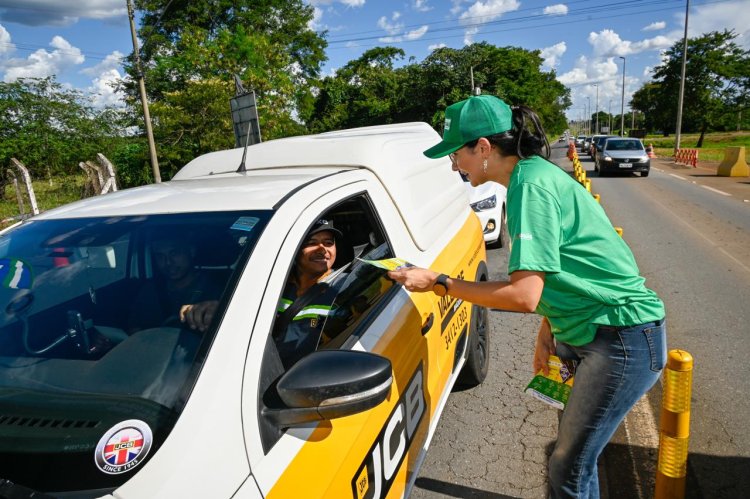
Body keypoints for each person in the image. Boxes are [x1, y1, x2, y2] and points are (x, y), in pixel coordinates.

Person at [387, 94, 666, 498]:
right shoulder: (530, 176)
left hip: (619, 336)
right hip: (588, 329)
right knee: (571, 459)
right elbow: (560, 270)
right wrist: (548, 328)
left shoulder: (531, 186)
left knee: (569, 465)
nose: (453, 165)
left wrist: (440, 282)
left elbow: (522, 294)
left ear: (483, 148)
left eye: (456, 153)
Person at [274, 218, 345, 367]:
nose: (322, 249)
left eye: (328, 243)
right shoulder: (274, 285)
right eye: (312, 243)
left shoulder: (346, 285)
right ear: (295, 249)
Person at [128, 232, 223, 333]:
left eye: (174, 253)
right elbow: (134, 330)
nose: (168, 262)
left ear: (191, 251)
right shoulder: (150, 291)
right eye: (160, 256)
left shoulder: (219, 288)